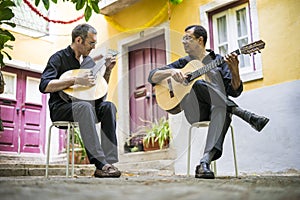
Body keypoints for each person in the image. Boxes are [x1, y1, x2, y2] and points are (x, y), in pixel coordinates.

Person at [148, 25, 269, 179]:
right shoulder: (183, 62)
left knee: (221, 110)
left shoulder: (219, 61)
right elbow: (152, 76)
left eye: (188, 38)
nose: (184, 42)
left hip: (218, 108)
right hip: (195, 110)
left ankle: (204, 163)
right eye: (183, 38)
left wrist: (235, 70)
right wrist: (171, 71)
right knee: (198, 84)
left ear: (200, 40)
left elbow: (234, 92)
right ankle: (244, 114)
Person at [39, 23, 121, 178]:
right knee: (84, 107)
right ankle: (101, 163)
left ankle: (108, 162)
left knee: (108, 106)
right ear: (78, 40)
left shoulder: (88, 62)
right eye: (91, 43)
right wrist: (75, 80)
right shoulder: (58, 58)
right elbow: (44, 85)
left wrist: (108, 70)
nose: (94, 46)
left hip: (87, 108)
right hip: (61, 109)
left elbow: (98, 94)